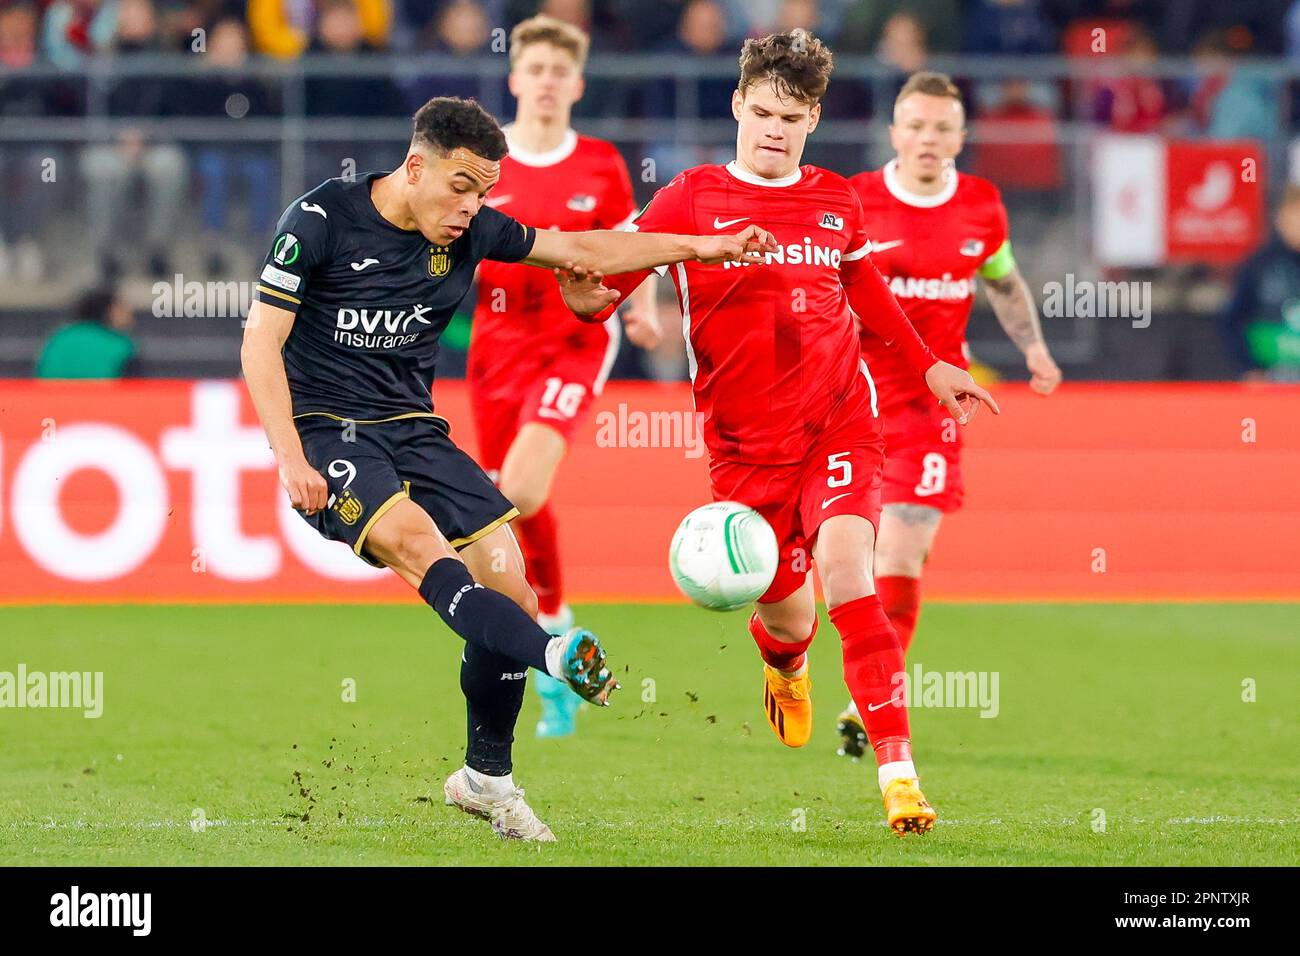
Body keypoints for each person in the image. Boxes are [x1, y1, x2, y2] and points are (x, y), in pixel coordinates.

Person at [240, 95, 774, 842]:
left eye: (484, 191)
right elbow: (260, 341)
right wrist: (289, 456)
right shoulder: (321, 220)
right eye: (461, 187)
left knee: (509, 585)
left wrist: (698, 248)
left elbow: (584, 250)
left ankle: (485, 779)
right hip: (331, 435)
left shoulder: (474, 230)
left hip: (418, 432)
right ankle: (558, 652)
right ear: (416, 166)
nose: (472, 207)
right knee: (424, 550)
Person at [558, 30, 996, 836]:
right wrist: (587, 298)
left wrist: (930, 364)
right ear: (737, 105)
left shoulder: (835, 198)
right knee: (792, 621)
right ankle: (785, 667)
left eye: (790, 117)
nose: (773, 129)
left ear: (813, 120)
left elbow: (866, 290)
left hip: (838, 422)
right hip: (741, 453)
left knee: (850, 581)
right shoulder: (690, 197)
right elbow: (605, 286)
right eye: (761, 111)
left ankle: (899, 775)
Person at [835, 71, 1062, 757]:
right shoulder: (856, 201)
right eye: (917, 125)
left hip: (932, 406)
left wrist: (1035, 349)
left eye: (942, 128)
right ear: (895, 132)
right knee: (843, 559)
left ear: (961, 137)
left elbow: (1004, 281)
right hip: (847, 396)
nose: (929, 139)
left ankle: (867, 698)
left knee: (906, 548)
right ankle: (807, 660)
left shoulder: (982, 208)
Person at [467, 15, 661, 738]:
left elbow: (627, 247)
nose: (547, 84)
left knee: (517, 489)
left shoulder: (601, 164)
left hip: (573, 341)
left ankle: (550, 636)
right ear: (514, 80)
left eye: (560, 73)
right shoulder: (483, 161)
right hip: (494, 348)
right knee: (504, 509)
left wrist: (637, 310)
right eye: (535, 71)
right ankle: (555, 634)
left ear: (576, 85)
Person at [1218, 184, 1300, 382]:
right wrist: (1249, 367)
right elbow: (1231, 319)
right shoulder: (1259, 263)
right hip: (1272, 375)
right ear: (1281, 218)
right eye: (1295, 216)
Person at [36, 287, 138, 379]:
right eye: (122, 307)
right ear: (110, 311)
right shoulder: (119, 344)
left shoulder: (58, 338)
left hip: (50, 398)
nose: (130, 312)